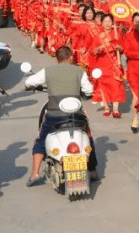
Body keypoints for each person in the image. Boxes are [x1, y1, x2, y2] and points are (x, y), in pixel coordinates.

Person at [24, 46, 98, 186]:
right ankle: (92, 169)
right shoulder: (79, 71)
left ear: (57, 58)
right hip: (76, 116)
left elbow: (28, 82)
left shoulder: (48, 71)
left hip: (54, 115)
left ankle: (35, 174)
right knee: (88, 136)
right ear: (70, 57)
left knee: (41, 139)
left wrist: (32, 86)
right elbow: (89, 91)